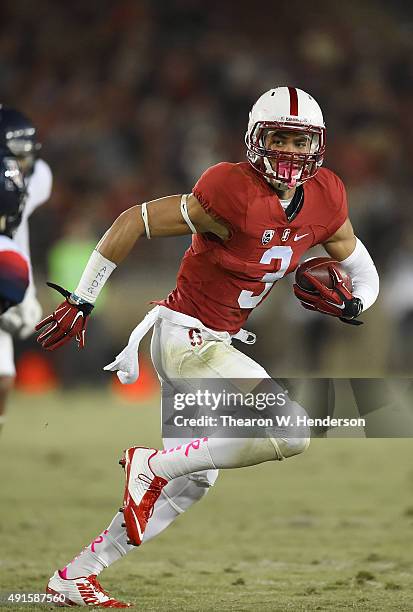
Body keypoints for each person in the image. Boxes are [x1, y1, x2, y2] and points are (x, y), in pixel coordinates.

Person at [36, 87, 379, 607]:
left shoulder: (328, 196)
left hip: (212, 343)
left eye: (300, 141)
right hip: (185, 338)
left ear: (319, 146)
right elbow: (133, 220)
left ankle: (76, 575)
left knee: (193, 481)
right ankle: (151, 466)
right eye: (279, 138)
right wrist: (83, 300)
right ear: (254, 140)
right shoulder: (229, 191)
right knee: (291, 430)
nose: (289, 152)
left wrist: (358, 304)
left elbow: (359, 264)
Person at [0, 107, 53, 431]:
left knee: (3, 379)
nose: (26, 161)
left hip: (7, 269)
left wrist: (23, 291)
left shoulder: (31, 179)